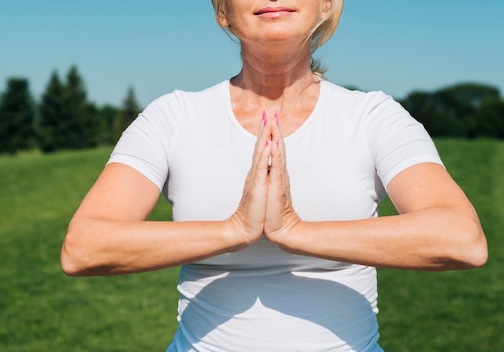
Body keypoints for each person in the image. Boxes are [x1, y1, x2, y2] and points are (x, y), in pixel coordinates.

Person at [61, 0, 488, 350]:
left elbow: (461, 240)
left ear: (326, 6)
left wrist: (290, 229)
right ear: (223, 13)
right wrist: (234, 229)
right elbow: (84, 249)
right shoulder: (173, 117)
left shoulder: (373, 117)